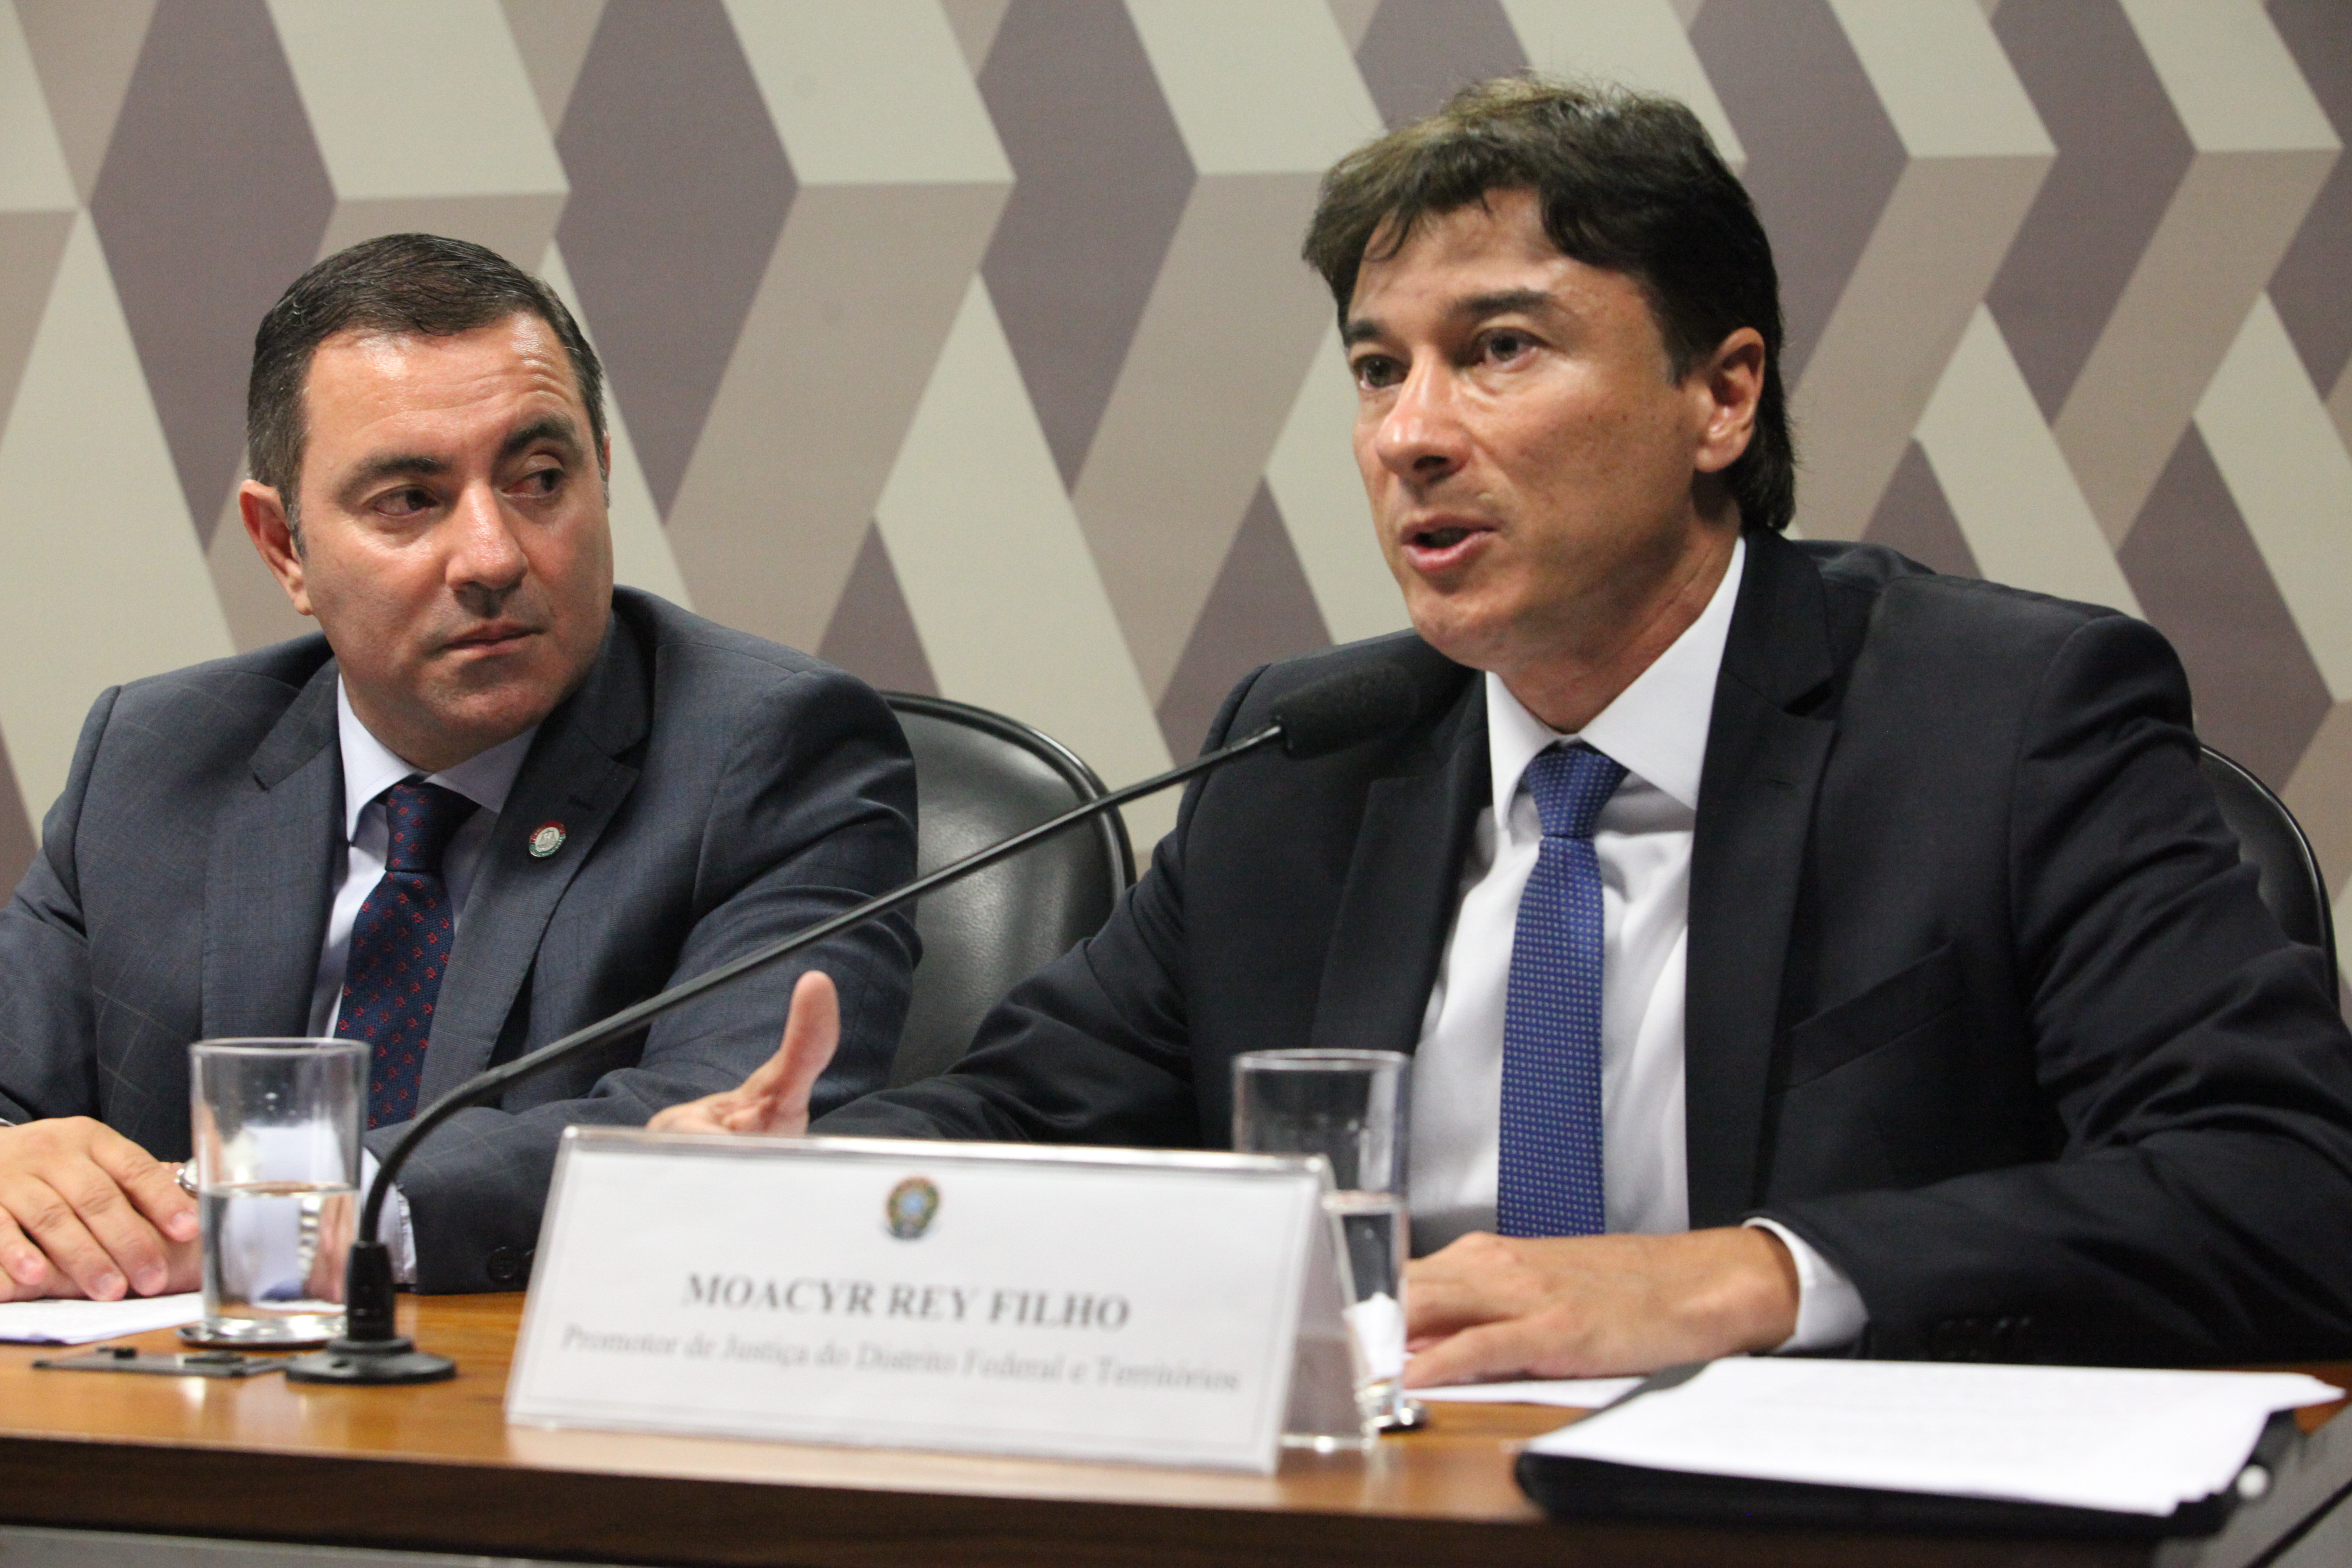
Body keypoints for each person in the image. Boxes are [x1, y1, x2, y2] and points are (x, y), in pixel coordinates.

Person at [656, 78, 2352, 1377]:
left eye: (1498, 350)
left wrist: (1745, 1275)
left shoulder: (2000, 723)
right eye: (1376, 368)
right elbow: (1024, 1122)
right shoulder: (1306, 759)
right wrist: (801, 1179)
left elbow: (2284, 1188)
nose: (1410, 433)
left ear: (1722, 395)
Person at [0, 234, 917, 1299]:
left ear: (602, 475)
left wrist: (284, 1225)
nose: (492, 556)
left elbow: (721, 1130)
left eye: (540, 480)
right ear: (285, 546)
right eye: (409, 499)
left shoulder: (777, 753)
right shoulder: (156, 757)